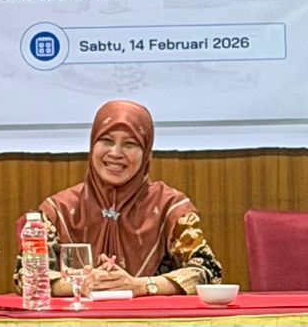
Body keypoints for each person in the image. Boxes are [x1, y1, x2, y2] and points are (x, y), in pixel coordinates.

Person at [24, 100, 221, 297]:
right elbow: (27, 276)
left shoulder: (170, 207)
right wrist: (84, 285)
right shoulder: (59, 209)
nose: (116, 153)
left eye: (130, 144)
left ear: (146, 152)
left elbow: (208, 271)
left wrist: (141, 286)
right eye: (107, 141)